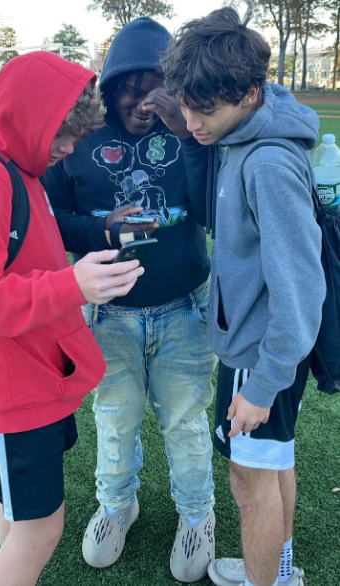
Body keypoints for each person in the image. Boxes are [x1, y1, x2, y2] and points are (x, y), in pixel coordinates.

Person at [43, 17, 217, 583]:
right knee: (114, 420)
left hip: (184, 303)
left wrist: (187, 138)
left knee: (186, 422)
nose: (143, 102)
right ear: (109, 84)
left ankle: (197, 514)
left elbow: (211, 211)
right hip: (107, 311)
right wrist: (102, 229)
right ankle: (119, 504)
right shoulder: (82, 134)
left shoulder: (190, 128)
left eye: (156, 89)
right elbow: (53, 223)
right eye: (130, 88)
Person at [0, 51, 145, 586]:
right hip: (11, 392)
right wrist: (73, 285)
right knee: (40, 531)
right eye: (63, 134)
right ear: (29, 119)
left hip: (37, 379)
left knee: (23, 522)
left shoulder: (23, 172)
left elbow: (40, 246)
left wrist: (99, 243)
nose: (71, 147)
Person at [162, 7, 326, 586]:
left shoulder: (269, 162)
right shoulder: (239, 137)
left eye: (204, 110)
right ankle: (278, 574)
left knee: (249, 487)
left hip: (261, 356)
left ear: (251, 93)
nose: (192, 121)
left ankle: (270, 578)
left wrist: (263, 382)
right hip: (258, 350)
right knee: (272, 467)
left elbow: (302, 291)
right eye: (185, 106)